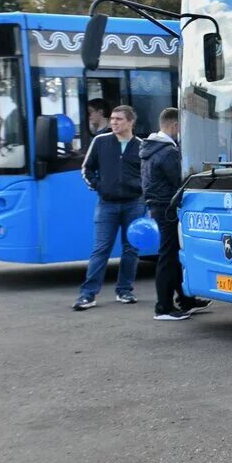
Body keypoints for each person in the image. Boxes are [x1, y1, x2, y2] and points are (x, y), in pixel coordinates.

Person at [141, 108, 212, 321]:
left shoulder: (150, 148)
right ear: (175, 126)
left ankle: (185, 299)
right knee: (169, 257)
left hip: (158, 206)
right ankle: (163, 306)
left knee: (173, 254)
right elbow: (182, 182)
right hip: (168, 208)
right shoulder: (168, 152)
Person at [73, 106, 145, 310]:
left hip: (134, 204)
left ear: (130, 122)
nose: (114, 122)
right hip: (107, 204)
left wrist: (142, 194)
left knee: (131, 249)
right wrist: (99, 187)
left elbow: (148, 176)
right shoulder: (100, 141)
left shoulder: (141, 146)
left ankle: (125, 291)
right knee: (101, 249)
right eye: (112, 118)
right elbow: (87, 169)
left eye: (119, 119)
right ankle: (87, 295)